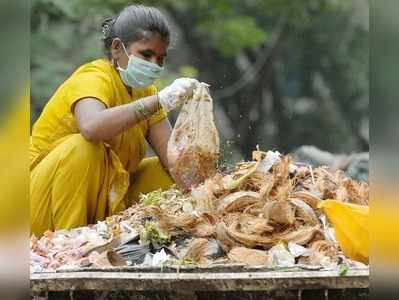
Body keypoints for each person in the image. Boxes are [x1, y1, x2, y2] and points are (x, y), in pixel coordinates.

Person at [30, 4, 198, 236]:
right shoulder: (94, 76)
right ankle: (69, 244)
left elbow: (174, 160)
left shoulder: (147, 92)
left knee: (168, 172)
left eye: (160, 58)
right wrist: (160, 101)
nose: (154, 65)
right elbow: (91, 128)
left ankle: (147, 240)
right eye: (146, 54)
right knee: (82, 149)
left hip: (106, 204)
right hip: (37, 204)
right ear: (117, 48)